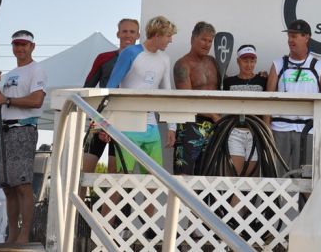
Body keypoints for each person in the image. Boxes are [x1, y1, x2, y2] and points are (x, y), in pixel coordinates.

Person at [105, 15, 177, 232]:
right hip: (126, 125)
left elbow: (167, 94)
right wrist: (105, 123)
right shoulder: (131, 53)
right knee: (119, 181)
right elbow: (112, 86)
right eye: (168, 36)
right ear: (157, 34)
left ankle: (146, 233)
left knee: (153, 181)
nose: (170, 41)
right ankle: (104, 231)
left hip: (151, 126)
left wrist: (172, 126)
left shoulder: (164, 59)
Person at [0, 30, 47, 244]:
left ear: (32, 46)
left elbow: (36, 101)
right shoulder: (10, 73)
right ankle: (12, 234)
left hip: (24, 130)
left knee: (23, 185)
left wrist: (6, 100)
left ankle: (24, 235)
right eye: (16, 44)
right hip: (6, 130)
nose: (20, 48)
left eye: (24, 44)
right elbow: (0, 99)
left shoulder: (37, 70)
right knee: (8, 186)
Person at [79, 18, 140, 198]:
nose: (128, 35)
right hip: (100, 120)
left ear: (138, 35)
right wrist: (98, 121)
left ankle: (109, 225)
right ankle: (77, 222)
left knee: (116, 177)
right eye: (124, 31)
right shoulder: (104, 58)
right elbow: (88, 89)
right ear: (118, 33)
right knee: (84, 173)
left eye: (132, 32)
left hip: (126, 124)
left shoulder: (142, 61)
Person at [266, 19, 321, 174]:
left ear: (306, 37)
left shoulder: (319, 66)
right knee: (277, 175)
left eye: (295, 36)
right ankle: (277, 200)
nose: (290, 40)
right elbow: (268, 98)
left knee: (305, 177)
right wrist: (266, 127)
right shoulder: (278, 64)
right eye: (289, 36)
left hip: (308, 129)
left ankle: (304, 201)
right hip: (280, 128)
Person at [170, 21, 221, 175]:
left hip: (213, 125)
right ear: (193, 39)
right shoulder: (182, 65)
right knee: (183, 175)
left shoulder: (213, 62)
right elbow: (188, 100)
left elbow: (220, 88)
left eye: (210, 41)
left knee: (208, 175)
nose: (207, 44)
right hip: (190, 124)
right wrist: (213, 115)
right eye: (203, 39)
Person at [222, 44, 268, 177]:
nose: (249, 65)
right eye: (245, 61)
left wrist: (265, 130)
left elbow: (267, 107)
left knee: (251, 179)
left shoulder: (263, 80)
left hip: (255, 133)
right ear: (238, 61)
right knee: (234, 177)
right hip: (235, 132)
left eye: (252, 61)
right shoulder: (228, 82)